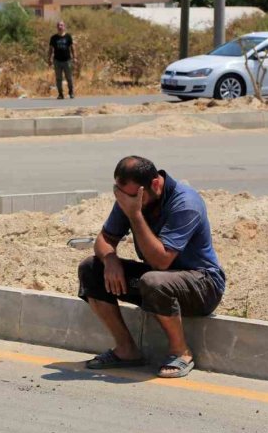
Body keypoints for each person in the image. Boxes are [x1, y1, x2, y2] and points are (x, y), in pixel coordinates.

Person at [77, 156, 225, 378]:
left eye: (133, 196)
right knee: (91, 268)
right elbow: (104, 239)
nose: (126, 200)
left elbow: (161, 261)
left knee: (153, 281)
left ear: (155, 184)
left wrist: (134, 214)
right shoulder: (132, 197)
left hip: (203, 286)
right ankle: (126, 350)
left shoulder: (185, 203)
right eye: (121, 194)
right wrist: (110, 260)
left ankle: (181, 352)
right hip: (159, 282)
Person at [47, 21, 75, 99]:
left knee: (69, 77)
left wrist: (74, 57)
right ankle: (60, 94)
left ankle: (71, 92)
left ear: (64, 27)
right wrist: (49, 59)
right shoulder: (53, 38)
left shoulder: (68, 36)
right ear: (57, 27)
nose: (60, 27)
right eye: (59, 25)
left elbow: (72, 48)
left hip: (67, 61)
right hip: (57, 61)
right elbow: (50, 49)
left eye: (61, 25)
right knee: (58, 78)